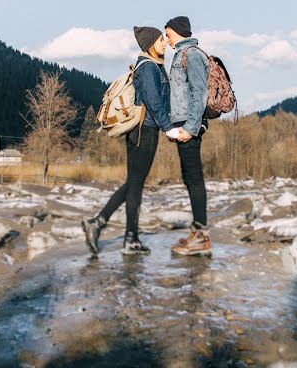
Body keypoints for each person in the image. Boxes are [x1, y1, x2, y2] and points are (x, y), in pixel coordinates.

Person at [82, 26, 173, 255]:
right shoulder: (150, 68)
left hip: (139, 131)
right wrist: (169, 127)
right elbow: (153, 101)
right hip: (145, 131)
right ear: (151, 44)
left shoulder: (147, 66)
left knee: (134, 184)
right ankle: (103, 225)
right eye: (161, 40)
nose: (164, 44)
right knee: (134, 184)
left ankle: (124, 236)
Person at [164, 16, 212, 256]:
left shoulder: (191, 54)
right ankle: (197, 231)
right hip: (183, 123)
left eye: (168, 33)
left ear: (178, 31)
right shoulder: (182, 54)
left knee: (194, 178)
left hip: (189, 125)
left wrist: (190, 128)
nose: (166, 38)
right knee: (189, 177)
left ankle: (202, 237)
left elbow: (199, 92)